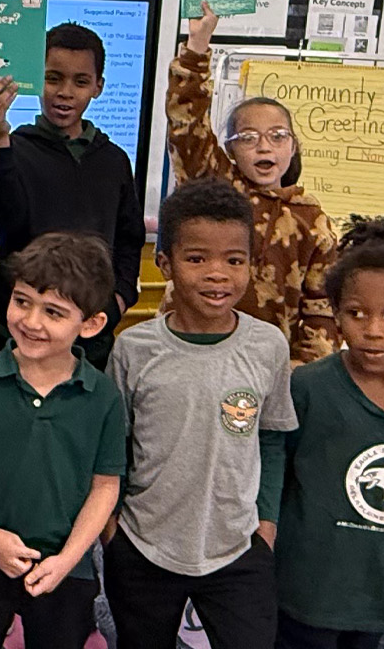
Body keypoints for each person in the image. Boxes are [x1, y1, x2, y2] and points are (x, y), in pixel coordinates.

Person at [105, 179, 291, 649]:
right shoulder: (134, 349)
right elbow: (112, 447)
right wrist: (114, 534)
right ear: (164, 263)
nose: (217, 274)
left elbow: (270, 436)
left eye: (234, 260)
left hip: (238, 546)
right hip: (144, 544)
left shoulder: (267, 346)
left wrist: (265, 522)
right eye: (196, 259)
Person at [0, 232, 127, 649]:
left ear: (91, 324)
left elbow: (105, 485)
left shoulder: (104, 398)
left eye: (54, 312)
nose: (32, 321)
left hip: (64, 567)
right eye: (22, 301)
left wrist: (68, 559)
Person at [273, 217, 384, 649]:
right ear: (335, 314)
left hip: (379, 592)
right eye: (356, 314)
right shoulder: (308, 387)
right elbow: (274, 473)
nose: (373, 330)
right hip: (306, 590)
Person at [164, 5, 338, 363]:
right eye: (248, 137)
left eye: (277, 136)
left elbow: (323, 308)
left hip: (268, 364)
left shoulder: (311, 218)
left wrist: (303, 370)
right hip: (190, 349)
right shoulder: (215, 186)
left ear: (293, 147)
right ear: (229, 149)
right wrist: (198, 46)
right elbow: (187, 122)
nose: (264, 146)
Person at [0, 23, 145, 367]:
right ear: (33, 79)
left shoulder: (113, 160)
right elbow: (0, 221)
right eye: (53, 78)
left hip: (89, 335)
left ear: (98, 87)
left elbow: (130, 238)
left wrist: (119, 299)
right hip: (18, 331)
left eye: (80, 82)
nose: (65, 92)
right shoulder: (13, 148)